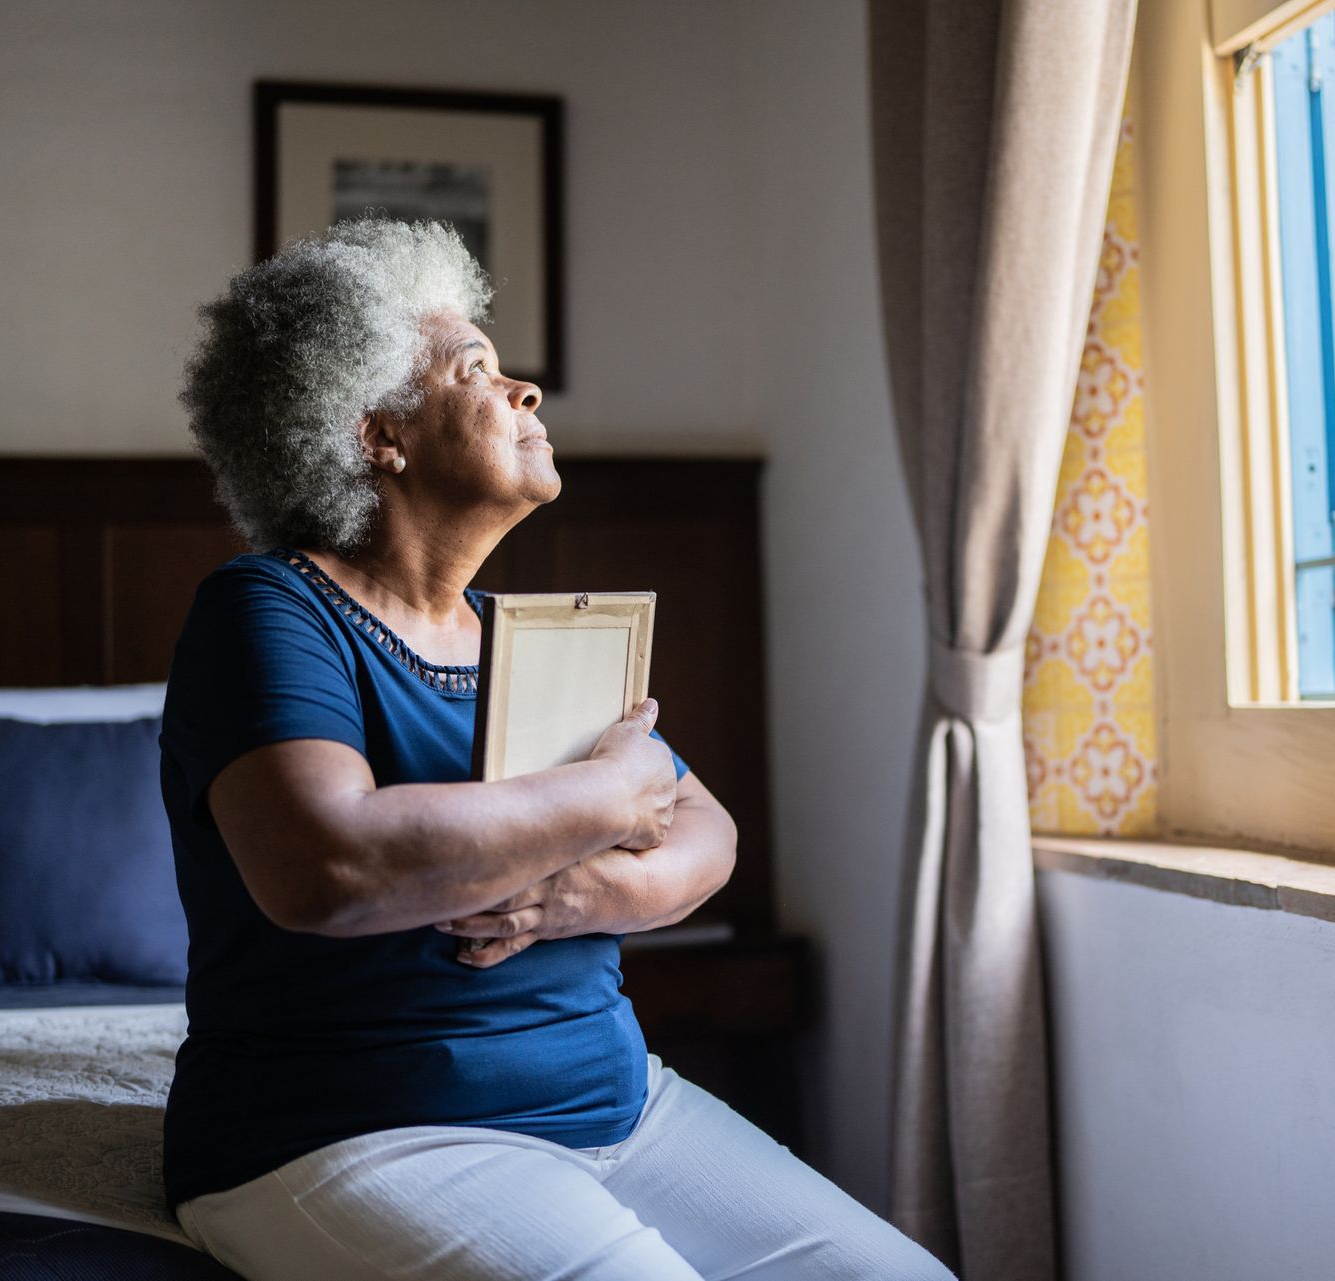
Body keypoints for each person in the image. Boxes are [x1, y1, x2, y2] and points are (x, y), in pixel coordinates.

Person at [159, 218, 954, 1281]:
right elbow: (330, 866)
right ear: (376, 435)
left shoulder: (524, 631)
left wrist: (577, 900)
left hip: (619, 1109)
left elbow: (707, 834)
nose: (524, 389)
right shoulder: (267, 609)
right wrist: (612, 794)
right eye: (475, 369)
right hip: (353, 1134)